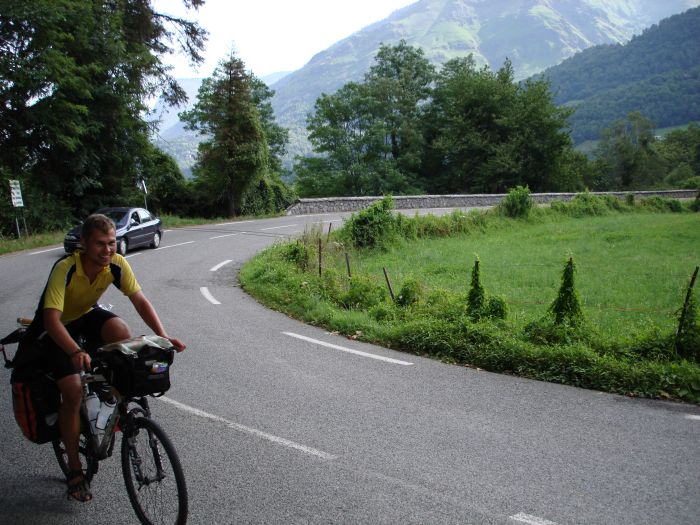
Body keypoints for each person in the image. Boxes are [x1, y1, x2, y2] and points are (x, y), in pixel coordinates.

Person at [21, 213, 185, 502]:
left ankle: (115, 406)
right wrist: (74, 350)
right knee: (72, 390)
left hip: (85, 316)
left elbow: (140, 300)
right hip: (55, 329)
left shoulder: (117, 265)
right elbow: (51, 320)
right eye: (100, 244)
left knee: (122, 332)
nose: (107, 250)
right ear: (83, 243)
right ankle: (74, 469)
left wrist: (163, 336)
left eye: (111, 243)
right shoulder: (66, 268)